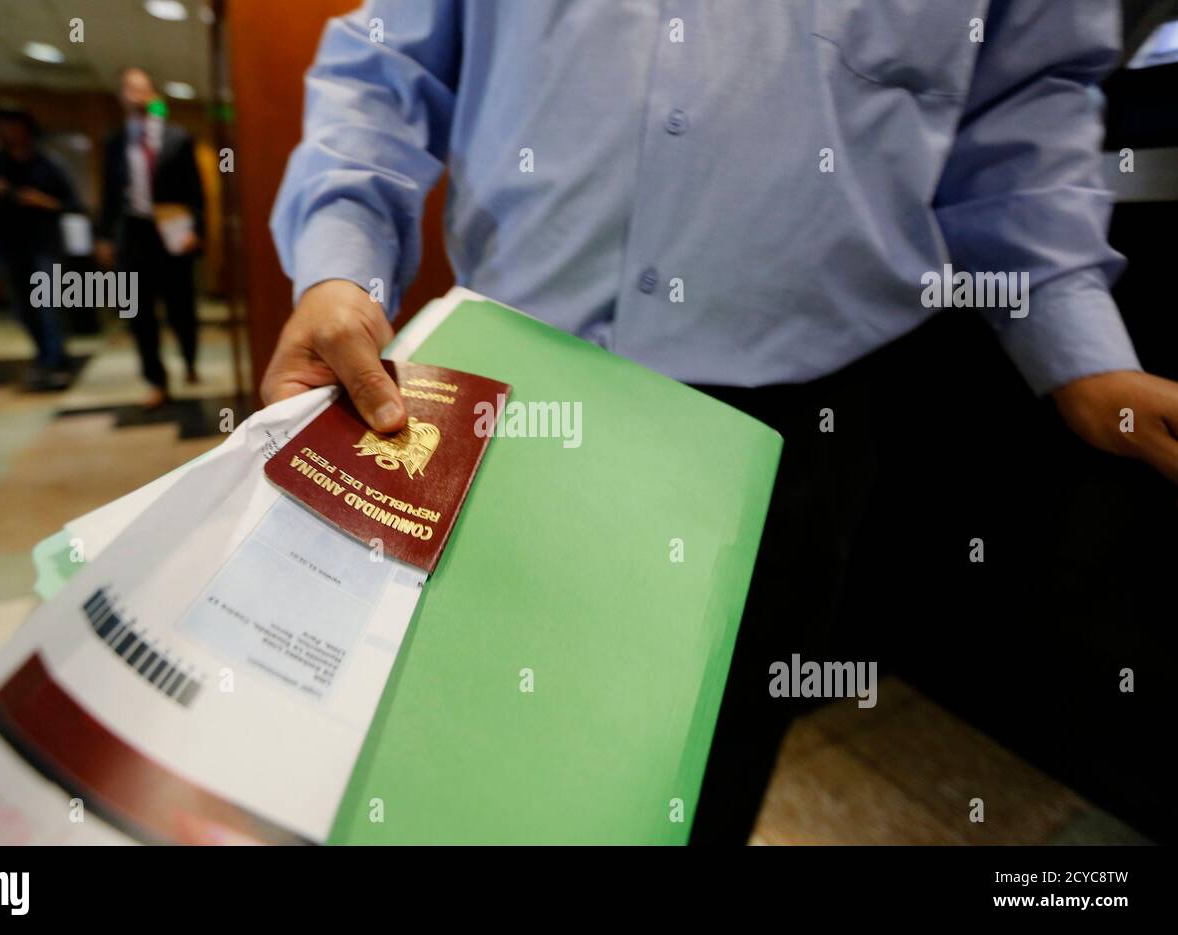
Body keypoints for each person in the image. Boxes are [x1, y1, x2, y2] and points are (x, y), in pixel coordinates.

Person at [264, 2, 1178, 839]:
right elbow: (388, 64)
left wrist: (1080, 343)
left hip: (795, 429)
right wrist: (342, 259)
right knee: (455, 739)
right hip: (502, 390)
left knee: (706, 763)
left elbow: (1022, 117)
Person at [96, 67, 206, 409]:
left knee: (181, 308)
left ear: (153, 95)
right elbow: (108, 195)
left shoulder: (177, 138)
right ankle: (157, 380)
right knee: (138, 313)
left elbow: (195, 191)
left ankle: (189, 359)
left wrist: (196, 230)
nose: (136, 95)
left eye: (142, 89)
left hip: (171, 232)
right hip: (133, 234)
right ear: (122, 97)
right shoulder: (115, 143)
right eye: (129, 89)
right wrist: (104, 237)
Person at [0, 102, 76, 390]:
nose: (10, 131)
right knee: (24, 305)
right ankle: (43, 355)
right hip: (8, 244)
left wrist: (42, 201)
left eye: (15, 124)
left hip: (44, 243)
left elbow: (71, 203)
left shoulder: (48, 163)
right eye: (4, 125)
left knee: (49, 304)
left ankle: (56, 359)